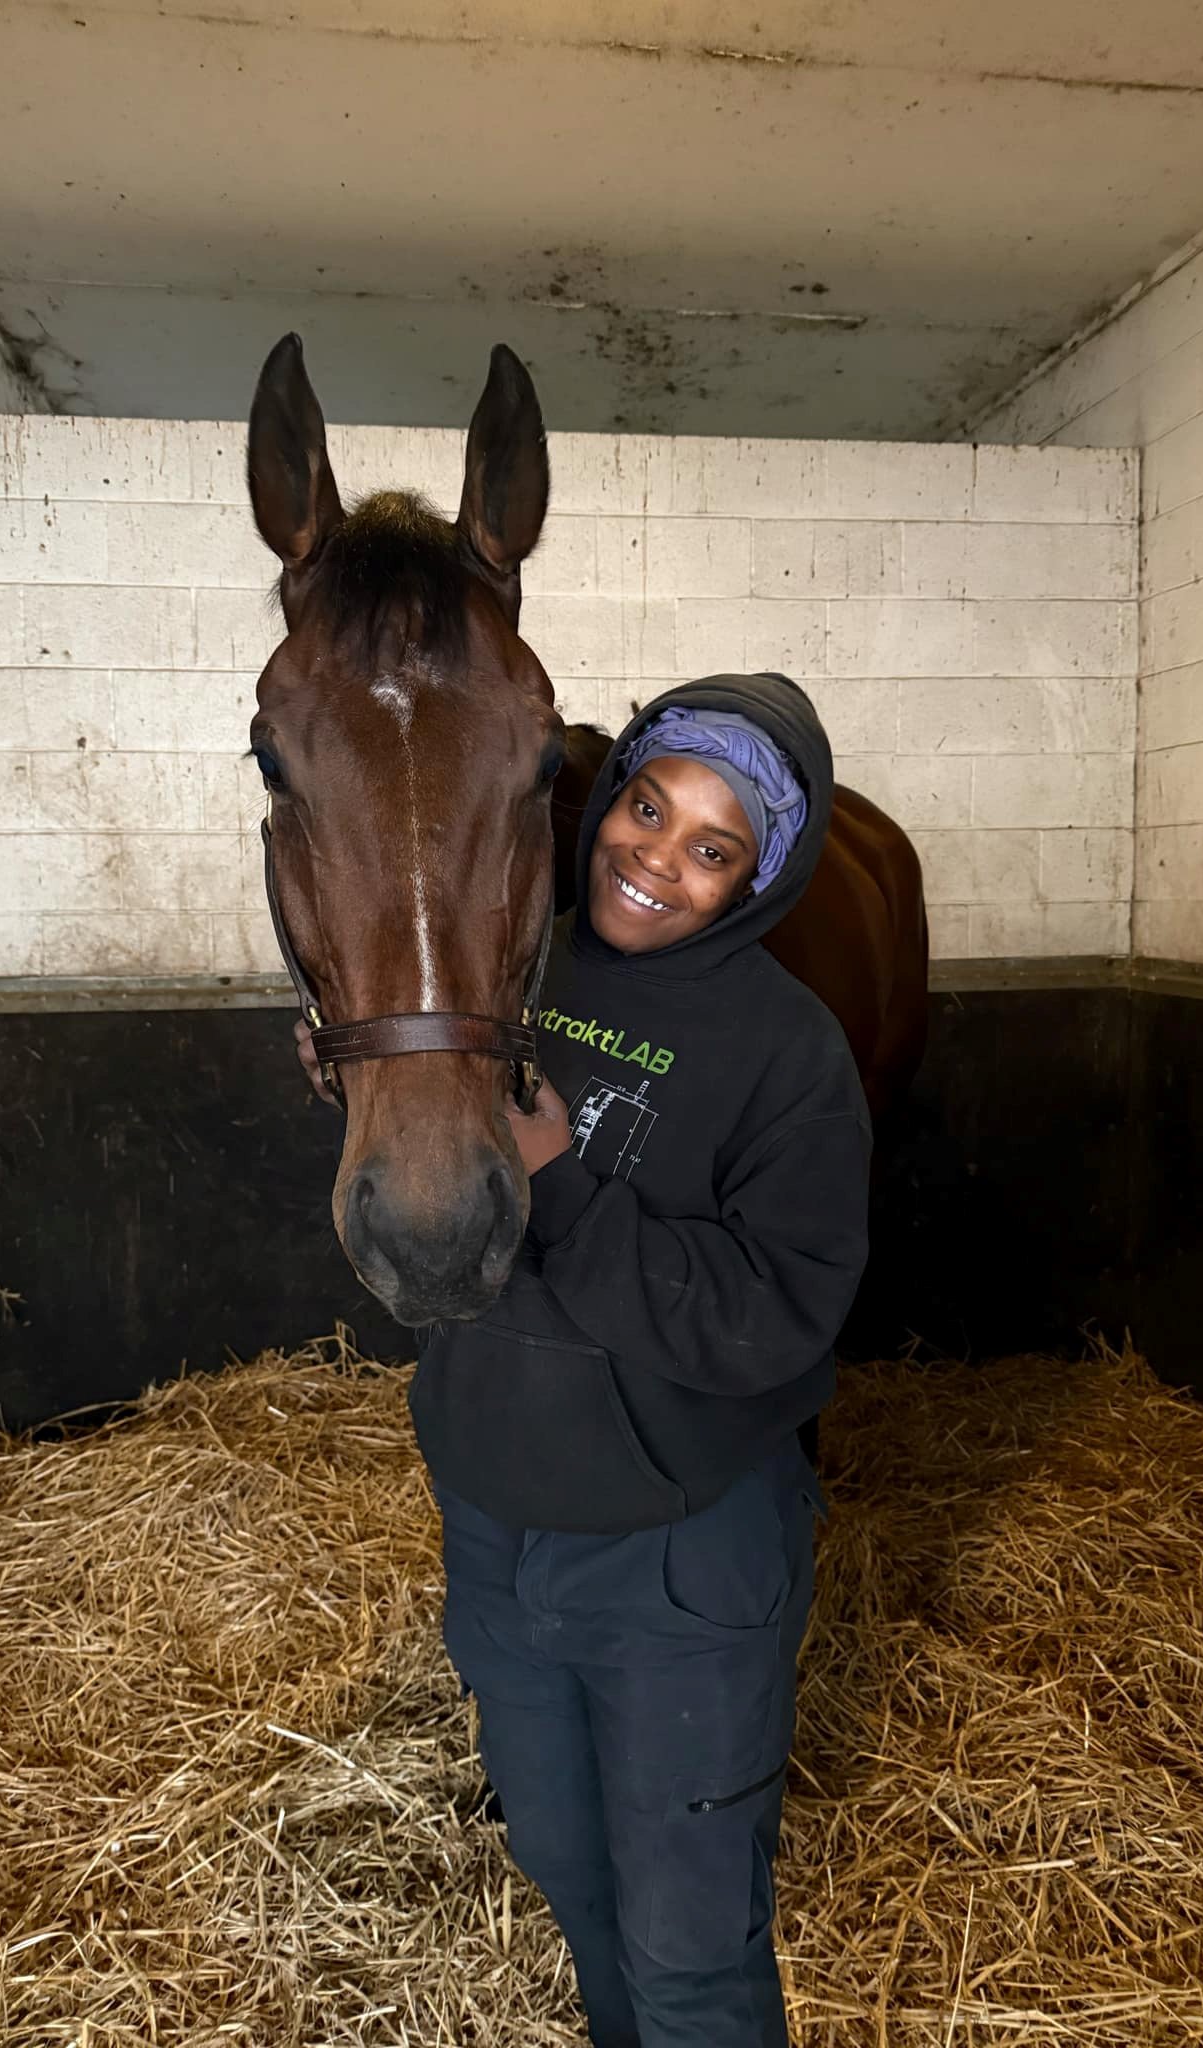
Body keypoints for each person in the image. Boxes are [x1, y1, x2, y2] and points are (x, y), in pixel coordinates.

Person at [299, 673, 870, 2048]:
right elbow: (439, 1209)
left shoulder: (790, 1055)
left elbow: (775, 1319)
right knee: (566, 1874)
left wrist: (564, 1187)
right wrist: (372, 1083)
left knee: (689, 1951)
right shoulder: (507, 977)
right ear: (607, 801)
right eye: (648, 809)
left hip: (679, 1562)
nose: (656, 859)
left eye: (712, 848)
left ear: (757, 880)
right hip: (499, 1543)